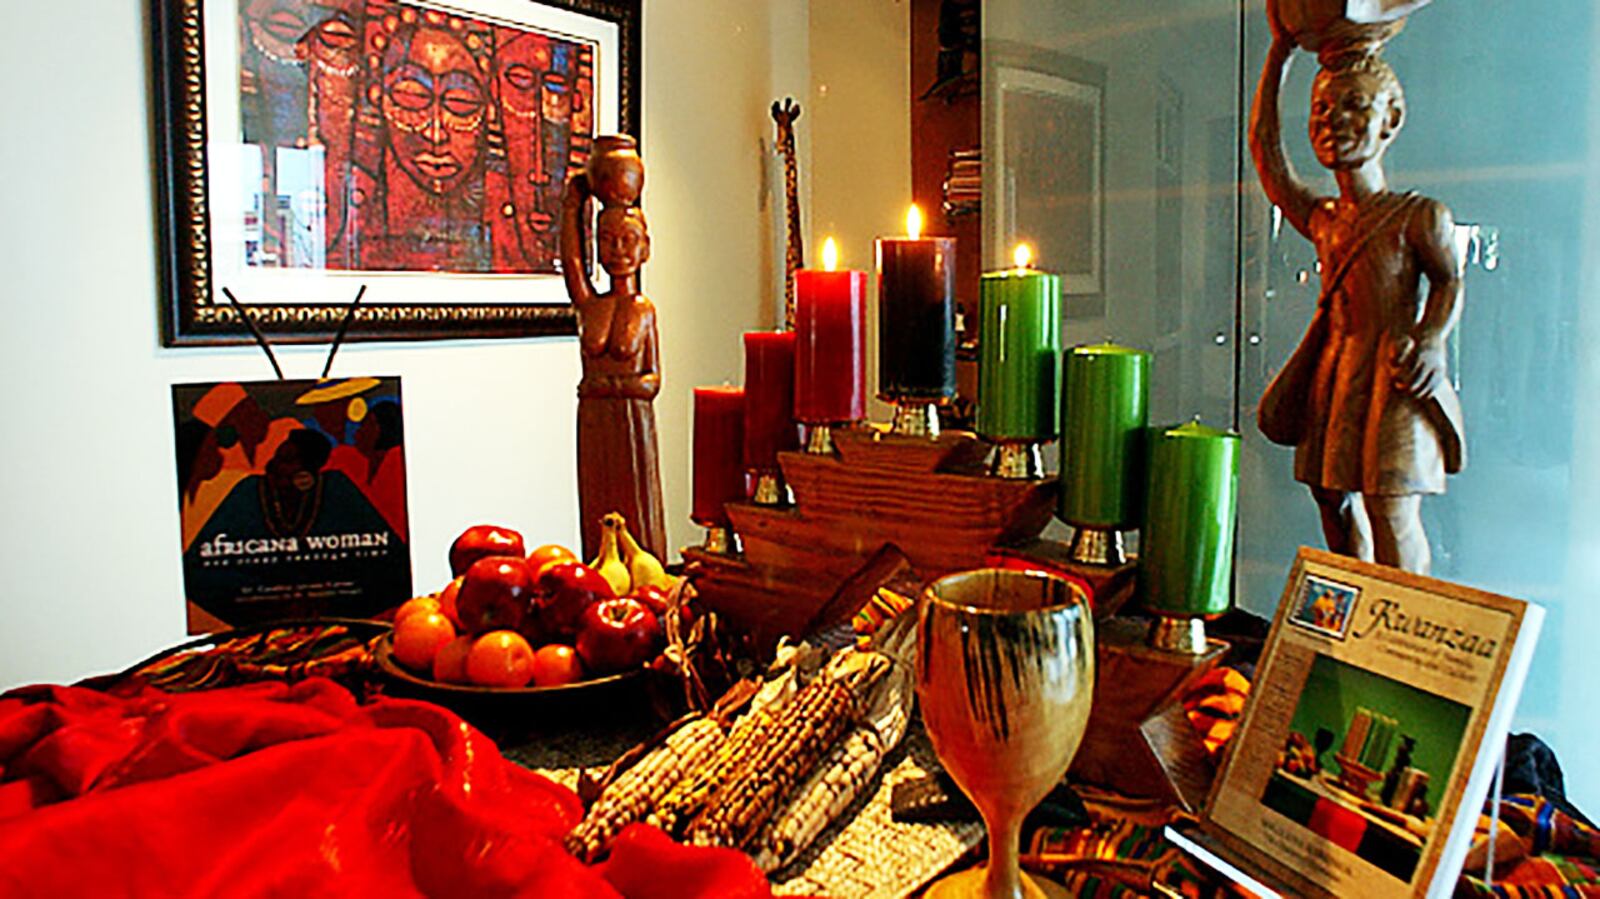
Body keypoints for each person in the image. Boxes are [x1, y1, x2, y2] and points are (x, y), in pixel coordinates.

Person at [1250, 30, 1465, 575]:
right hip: (1337, 373)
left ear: (1389, 120)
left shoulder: (1419, 216)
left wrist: (1432, 339)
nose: (1332, 120)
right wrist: (1278, 56)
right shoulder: (1325, 219)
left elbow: (1447, 281)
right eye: (1322, 107)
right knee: (1333, 500)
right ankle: (1356, 618)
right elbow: (1267, 155)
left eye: (1354, 105)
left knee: (1390, 507)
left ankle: (1402, 629)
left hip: (1392, 374)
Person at [560, 176, 666, 561]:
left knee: (637, 509)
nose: (618, 249)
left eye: (628, 240)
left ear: (645, 249)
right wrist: (572, 205)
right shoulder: (590, 305)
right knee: (596, 508)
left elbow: (653, 380)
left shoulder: (643, 309)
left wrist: (614, 385)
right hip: (594, 423)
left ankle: (644, 579)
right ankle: (601, 571)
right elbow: (571, 263)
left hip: (631, 423)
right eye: (607, 239)